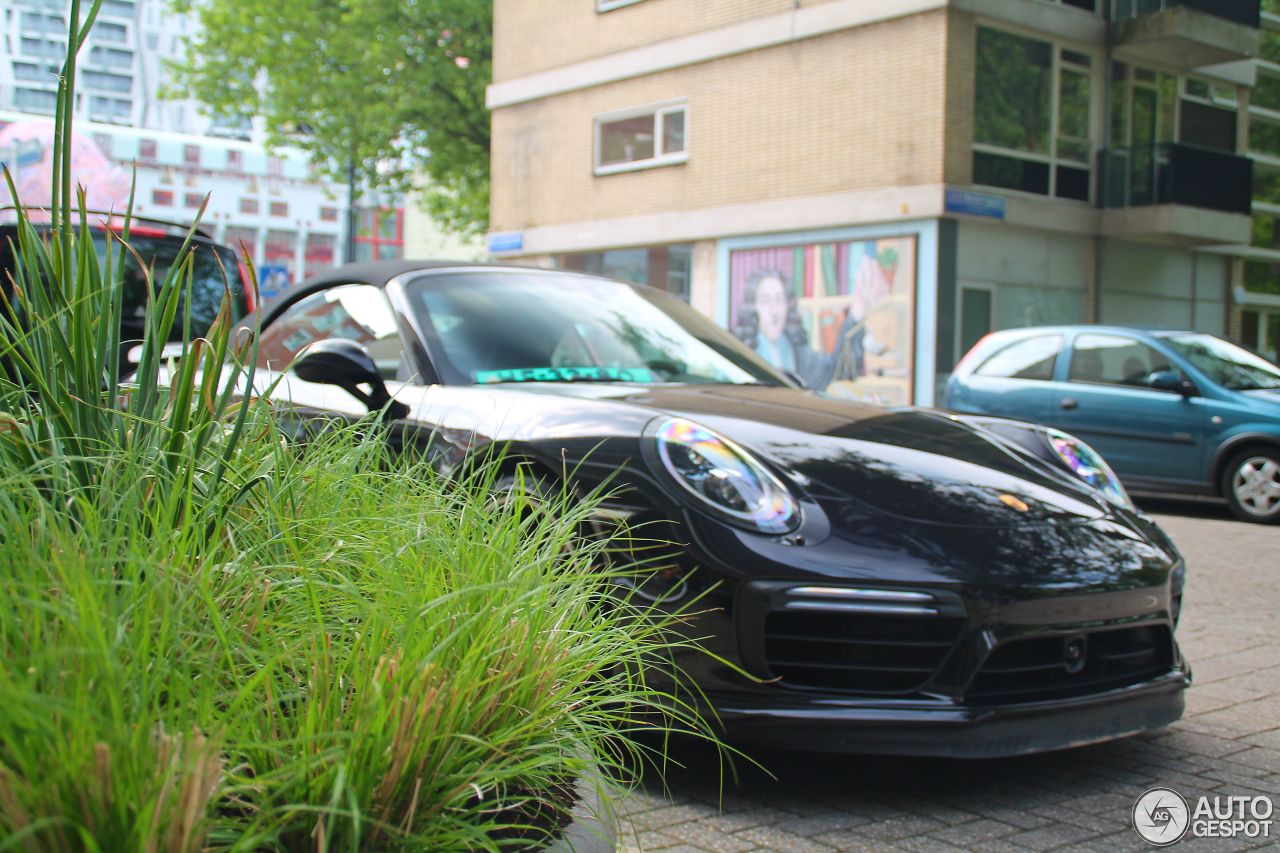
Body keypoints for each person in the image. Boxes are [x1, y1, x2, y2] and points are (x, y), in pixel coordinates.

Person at [733, 268, 833, 389]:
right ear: (753, 307)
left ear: (788, 306)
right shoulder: (740, 354)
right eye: (765, 300)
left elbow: (835, 368)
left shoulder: (804, 357)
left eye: (779, 299)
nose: (773, 310)